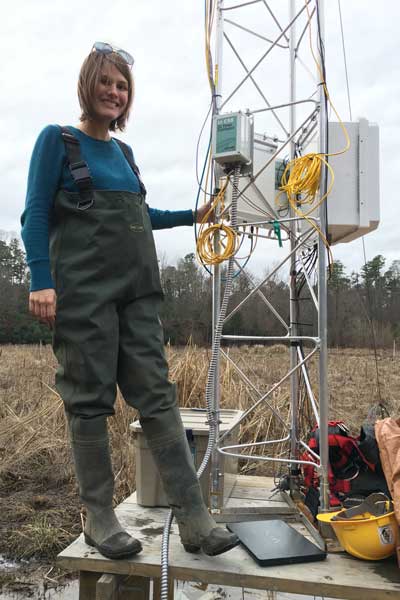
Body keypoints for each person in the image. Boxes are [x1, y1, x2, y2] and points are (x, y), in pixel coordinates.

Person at [21, 42, 238, 560]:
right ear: (88, 86)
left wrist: (193, 215)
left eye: (122, 86)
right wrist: (40, 279)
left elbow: (142, 214)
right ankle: (99, 518)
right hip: (84, 295)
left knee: (158, 397)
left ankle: (194, 518)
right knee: (89, 400)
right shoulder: (59, 140)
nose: (114, 92)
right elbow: (32, 213)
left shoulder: (124, 154)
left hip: (138, 294)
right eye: (106, 82)